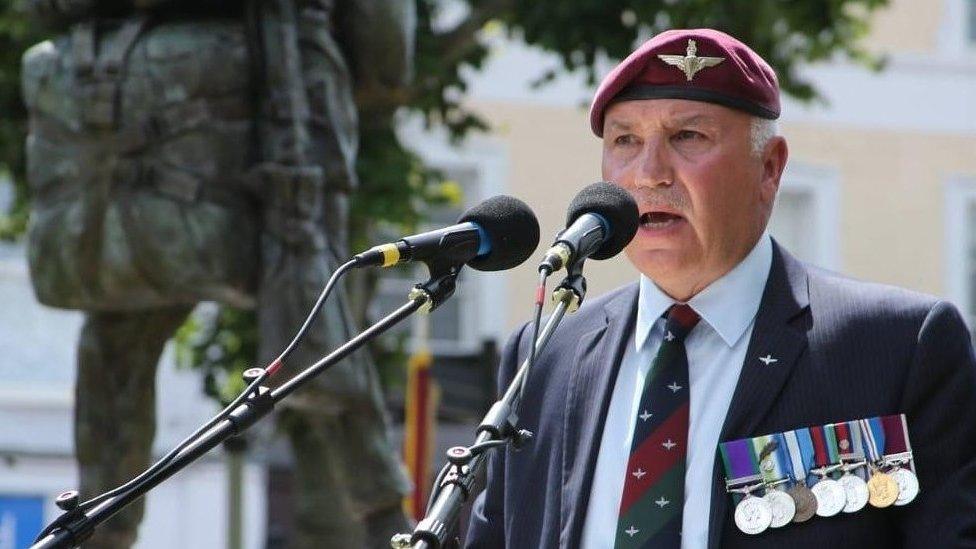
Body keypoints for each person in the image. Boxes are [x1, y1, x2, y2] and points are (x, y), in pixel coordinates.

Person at [465, 28, 976, 548]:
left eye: (688, 137)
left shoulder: (894, 346)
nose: (650, 173)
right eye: (625, 141)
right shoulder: (547, 358)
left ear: (770, 169)